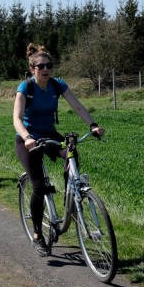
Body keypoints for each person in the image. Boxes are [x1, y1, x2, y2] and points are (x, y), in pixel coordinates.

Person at [13, 43, 104, 257]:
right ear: (32, 69)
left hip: (50, 133)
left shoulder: (57, 85)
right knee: (38, 186)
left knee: (71, 151)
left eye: (49, 65)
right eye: (41, 66)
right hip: (27, 139)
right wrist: (27, 137)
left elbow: (78, 106)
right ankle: (37, 234)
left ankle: (69, 199)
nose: (46, 69)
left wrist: (93, 125)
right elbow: (17, 119)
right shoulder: (26, 87)